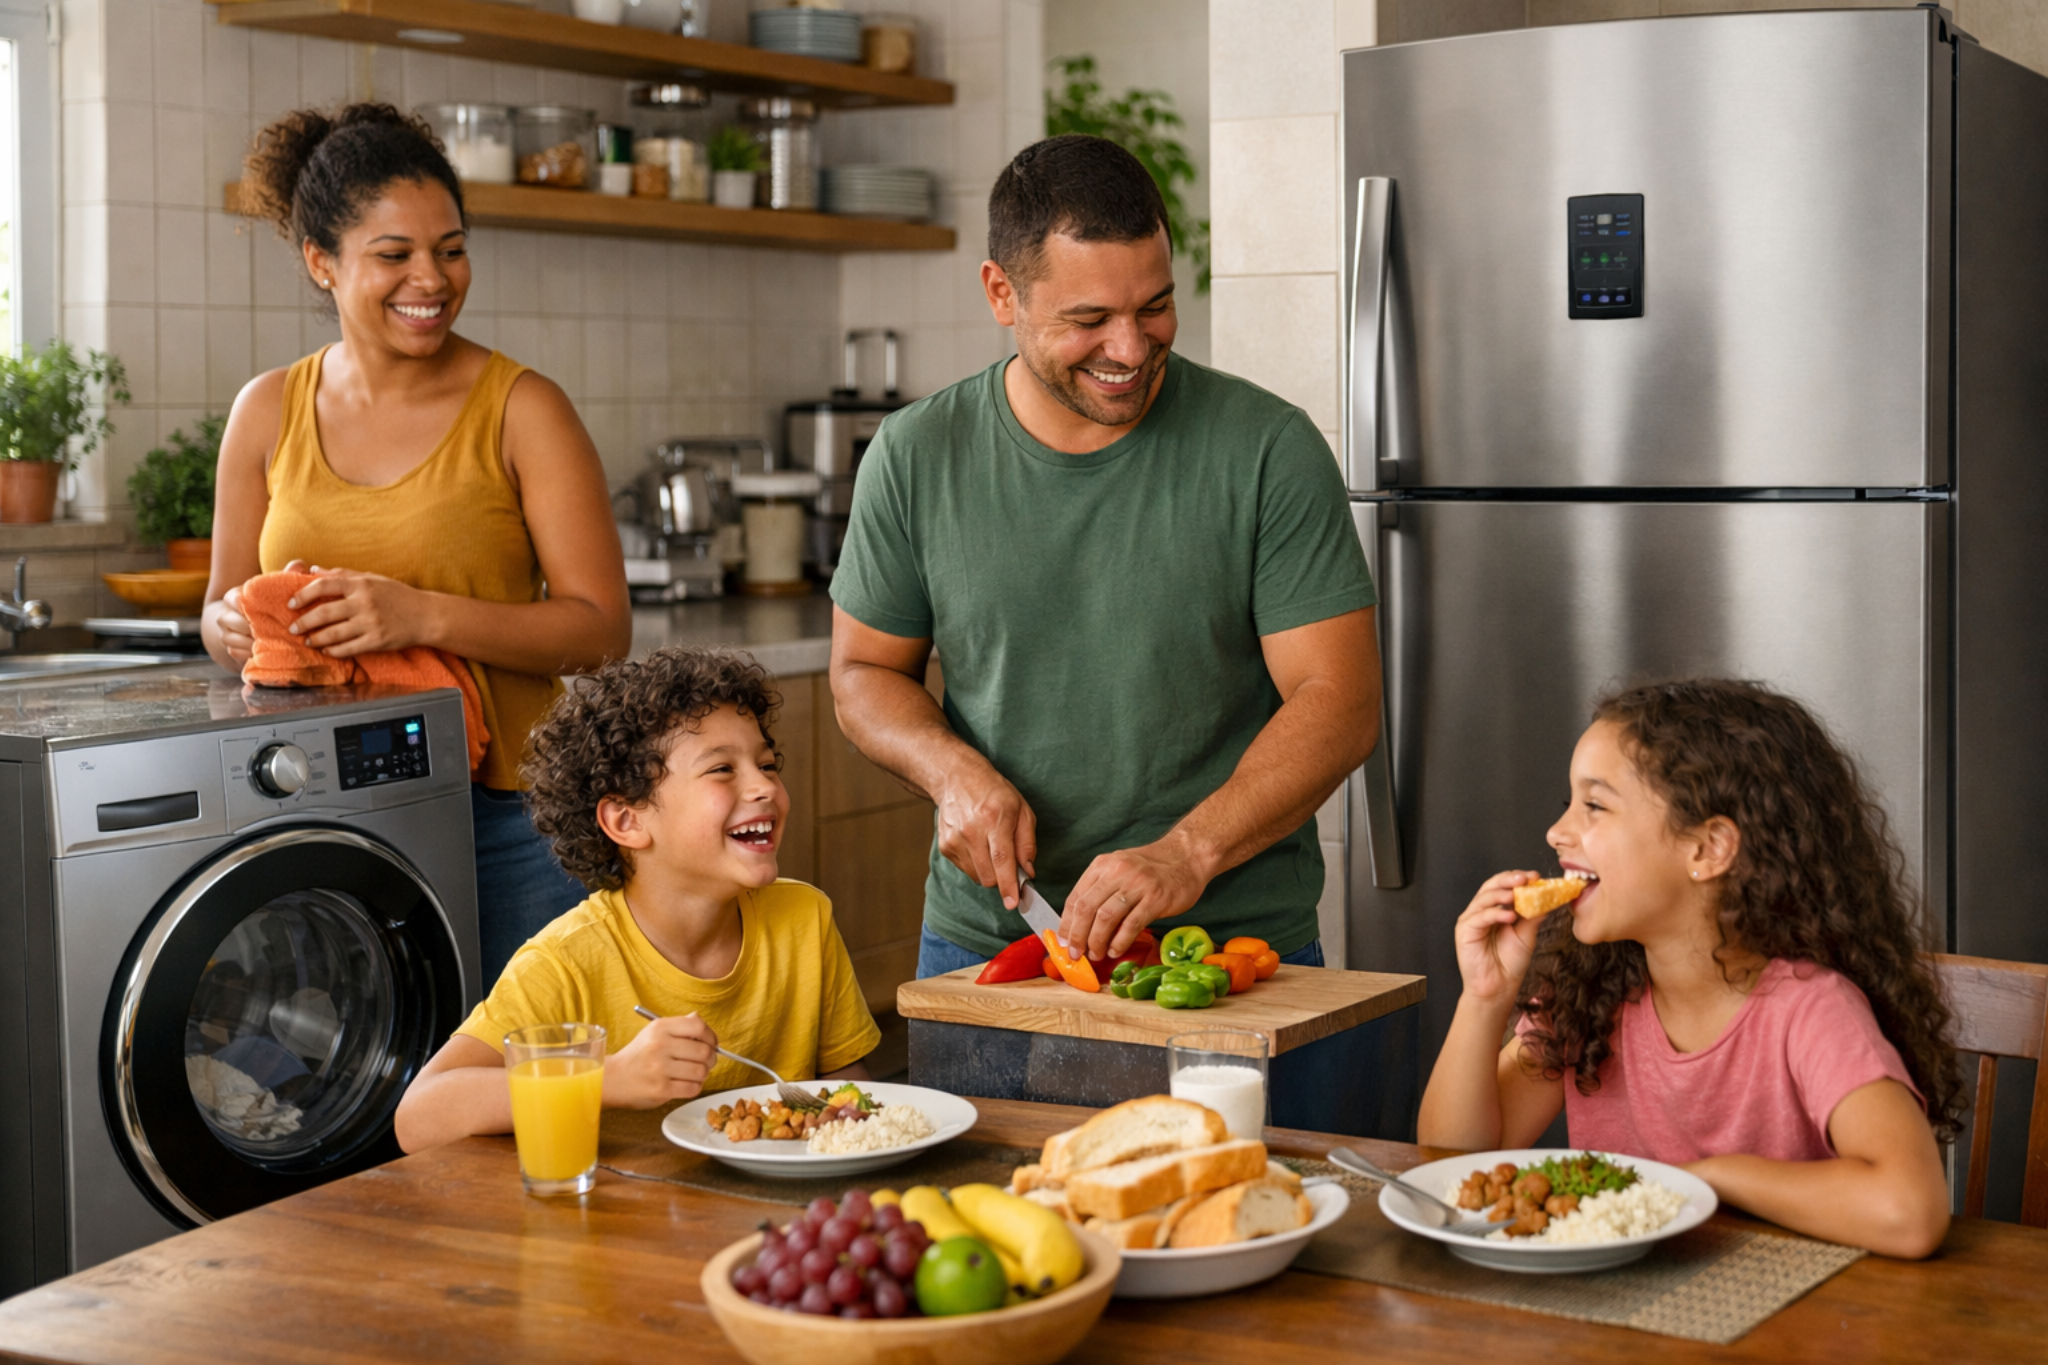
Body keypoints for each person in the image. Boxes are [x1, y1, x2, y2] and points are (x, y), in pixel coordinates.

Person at [829, 135, 1382, 978]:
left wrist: (1188, 853)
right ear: (1001, 293)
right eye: (1088, 320)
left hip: (1227, 950)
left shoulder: (1268, 448)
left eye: (1154, 306)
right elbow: (864, 673)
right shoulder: (915, 454)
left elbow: (1339, 700)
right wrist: (951, 774)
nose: (1129, 348)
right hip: (993, 946)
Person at [203, 104, 631, 986]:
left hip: (509, 817)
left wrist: (417, 615)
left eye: (451, 247)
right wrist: (238, 627)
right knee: (350, 1086)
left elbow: (600, 629)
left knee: (524, 1081)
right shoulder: (266, 411)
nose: (431, 279)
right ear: (323, 263)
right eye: (394, 255)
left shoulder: (523, 408)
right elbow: (215, 612)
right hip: (321, 808)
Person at [1417, 679, 1960, 1258]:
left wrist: (1709, 1177)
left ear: (1707, 850)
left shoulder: (1808, 1010)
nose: (1557, 833)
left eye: (1595, 806)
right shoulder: (1589, 993)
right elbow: (1454, 1167)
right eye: (1568, 805)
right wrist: (1484, 998)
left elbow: (1911, 1213)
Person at [394, 648, 879, 1152]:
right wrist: (607, 1077)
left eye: (767, 764)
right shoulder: (566, 962)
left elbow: (850, 1098)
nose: (765, 787)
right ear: (628, 821)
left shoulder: (804, 918)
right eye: (722, 770)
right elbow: (421, 1115)